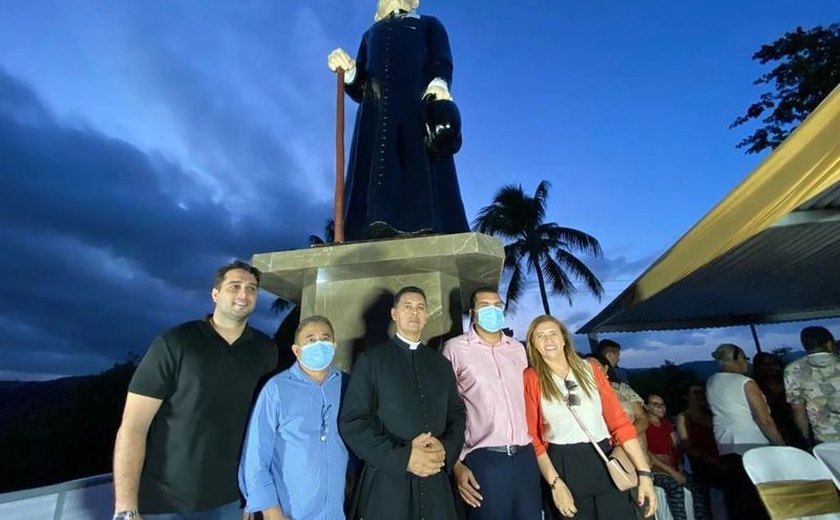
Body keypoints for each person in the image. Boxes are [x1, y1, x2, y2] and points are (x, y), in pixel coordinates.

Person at [112, 261, 278, 520]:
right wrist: (125, 508)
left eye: (252, 288)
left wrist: (254, 495)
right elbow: (134, 427)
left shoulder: (265, 350)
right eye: (234, 286)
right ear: (215, 294)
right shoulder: (175, 343)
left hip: (229, 502)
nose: (244, 294)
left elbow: (263, 430)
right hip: (164, 504)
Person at [327, 0, 469, 240]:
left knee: (417, 162)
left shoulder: (428, 24)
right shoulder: (369, 35)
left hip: (414, 107)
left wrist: (438, 84)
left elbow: (441, 60)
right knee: (373, 169)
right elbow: (361, 86)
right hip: (375, 113)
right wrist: (350, 70)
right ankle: (365, 227)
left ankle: (430, 224)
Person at [339, 286, 466, 519]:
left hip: (435, 478)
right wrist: (403, 457)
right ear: (394, 314)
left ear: (426, 316)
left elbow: (457, 413)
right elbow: (352, 422)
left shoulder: (440, 364)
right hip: (387, 481)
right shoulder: (371, 361)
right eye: (407, 307)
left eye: (420, 307)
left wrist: (446, 449)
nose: (414, 312)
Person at [523, 315, 655, 520]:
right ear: (533, 344)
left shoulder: (590, 370)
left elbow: (620, 424)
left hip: (604, 457)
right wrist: (555, 483)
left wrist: (644, 472)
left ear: (564, 338)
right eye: (540, 336)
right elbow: (534, 439)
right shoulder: (532, 378)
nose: (548, 340)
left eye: (553, 334)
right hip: (564, 464)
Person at [442, 287, 541, 519]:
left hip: (525, 457)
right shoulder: (454, 349)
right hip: (484, 460)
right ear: (473, 312)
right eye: (485, 306)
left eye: (497, 305)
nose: (493, 310)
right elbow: (445, 409)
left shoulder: (518, 349)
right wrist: (456, 464)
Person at [239, 315, 348, 520]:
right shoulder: (276, 389)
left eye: (325, 339)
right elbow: (256, 455)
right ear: (297, 350)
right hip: (290, 512)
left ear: (334, 345)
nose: (319, 344)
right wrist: (270, 510)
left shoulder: (346, 385)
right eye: (311, 340)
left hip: (335, 512)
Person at [706, 343, 783, 520]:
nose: (747, 363)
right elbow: (763, 418)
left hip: (725, 444)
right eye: (744, 358)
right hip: (752, 444)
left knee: (737, 497)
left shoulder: (711, 381)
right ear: (737, 358)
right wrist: (780, 443)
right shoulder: (745, 382)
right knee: (757, 498)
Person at [644, 394, 710, 520]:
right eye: (655, 404)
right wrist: (673, 473)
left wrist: (679, 469)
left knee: (699, 486)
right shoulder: (644, 424)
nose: (660, 408)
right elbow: (648, 454)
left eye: (662, 404)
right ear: (646, 406)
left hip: (672, 467)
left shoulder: (666, 424)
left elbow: (677, 448)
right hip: (656, 469)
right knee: (675, 488)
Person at [784, 326, 840, 444]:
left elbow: (797, 409)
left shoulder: (793, 369)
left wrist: (805, 438)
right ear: (829, 344)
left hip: (825, 438)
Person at [752, 352, 806, 448]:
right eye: (768, 364)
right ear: (759, 367)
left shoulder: (785, 380)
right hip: (774, 429)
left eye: (775, 363)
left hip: (793, 428)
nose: (774, 367)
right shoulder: (754, 386)